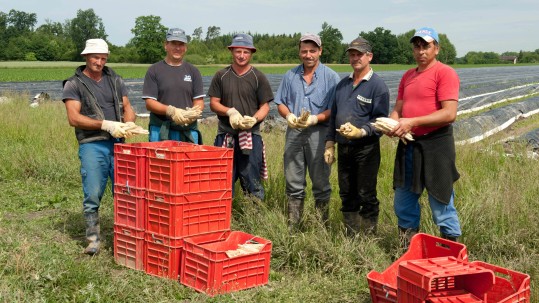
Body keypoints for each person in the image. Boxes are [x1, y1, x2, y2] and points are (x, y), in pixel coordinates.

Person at [387, 27, 462, 248]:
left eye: (426, 46)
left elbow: (449, 113)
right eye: (417, 46)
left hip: (436, 144)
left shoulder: (445, 73)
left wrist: (413, 121)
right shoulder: (408, 75)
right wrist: (393, 123)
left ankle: (450, 252)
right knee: (404, 200)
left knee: (441, 201)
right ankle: (408, 251)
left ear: (436, 49)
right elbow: (398, 108)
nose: (421, 51)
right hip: (409, 144)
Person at [62, 38, 136, 255]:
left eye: (103, 58)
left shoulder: (115, 79)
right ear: (86, 57)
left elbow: (128, 106)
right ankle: (93, 239)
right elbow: (73, 118)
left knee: (125, 191)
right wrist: (105, 124)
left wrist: (128, 121)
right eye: (95, 57)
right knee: (93, 192)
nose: (100, 62)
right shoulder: (74, 84)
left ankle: (127, 237)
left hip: (118, 144)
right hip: (92, 144)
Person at [274, 33, 340, 230]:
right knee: (293, 181)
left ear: (320, 51)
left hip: (319, 134)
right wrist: (288, 116)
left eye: (312, 50)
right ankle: (293, 226)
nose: (308, 54)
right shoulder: (290, 76)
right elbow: (281, 103)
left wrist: (315, 118)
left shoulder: (331, 77)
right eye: (304, 51)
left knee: (321, 183)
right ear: (299, 52)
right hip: (294, 133)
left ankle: (322, 227)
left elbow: (334, 109)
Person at [324, 37, 389, 236]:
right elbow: (333, 116)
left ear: (369, 56)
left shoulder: (378, 86)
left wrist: (361, 131)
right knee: (346, 192)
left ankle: (368, 237)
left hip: (366, 149)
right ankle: (351, 234)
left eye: (359, 54)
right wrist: (329, 144)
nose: (355, 58)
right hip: (344, 148)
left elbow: (381, 122)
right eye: (352, 55)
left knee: (366, 193)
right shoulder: (343, 85)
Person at [208, 33, 274, 201]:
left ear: (251, 53)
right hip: (226, 135)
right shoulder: (221, 75)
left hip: (251, 136)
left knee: (252, 182)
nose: (241, 56)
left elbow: (265, 105)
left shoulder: (258, 77)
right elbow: (214, 103)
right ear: (232, 51)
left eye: (245, 52)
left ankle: (255, 216)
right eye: (238, 51)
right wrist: (230, 111)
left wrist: (255, 119)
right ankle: (221, 218)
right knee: (222, 181)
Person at [142, 28, 205, 143]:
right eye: (173, 44)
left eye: (181, 44)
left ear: (185, 47)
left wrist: (191, 114)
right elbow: (149, 103)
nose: (177, 48)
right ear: (166, 45)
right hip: (161, 129)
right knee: (159, 161)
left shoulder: (193, 71)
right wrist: (171, 111)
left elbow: (199, 101)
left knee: (189, 161)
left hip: (188, 130)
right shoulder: (154, 70)